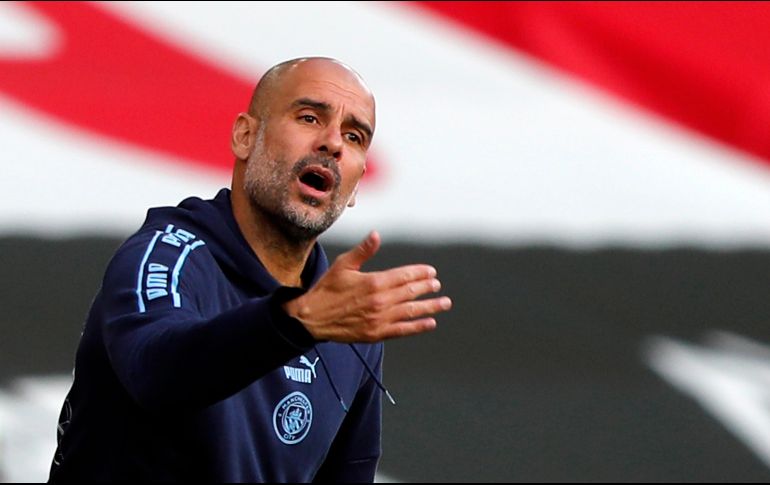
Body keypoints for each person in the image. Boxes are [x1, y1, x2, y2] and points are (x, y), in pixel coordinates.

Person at [48, 57, 452, 483]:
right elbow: (157, 374)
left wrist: (309, 319)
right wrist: (295, 323)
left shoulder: (342, 316)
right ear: (245, 136)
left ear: (355, 184)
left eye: (354, 136)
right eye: (310, 117)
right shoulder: (168, 255)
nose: (332, 143)